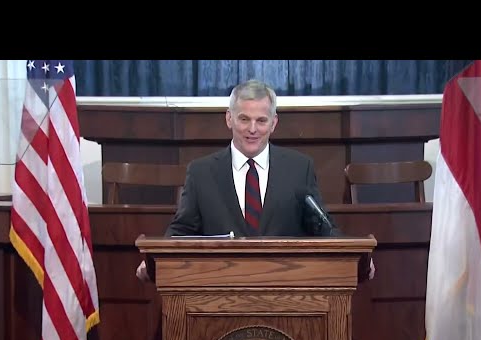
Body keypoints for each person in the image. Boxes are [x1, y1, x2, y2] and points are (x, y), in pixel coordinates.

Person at [136, 79, 374, 282]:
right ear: (229, 119)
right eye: (244, 119)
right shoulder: (201, 172)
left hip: (286, 290)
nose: (252, 129)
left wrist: (355, 260)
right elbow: (182, 230)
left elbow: (322, 227)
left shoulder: (299, 168)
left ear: (274, 123)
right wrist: (156, 263)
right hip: (218, 290)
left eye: (261, 120)